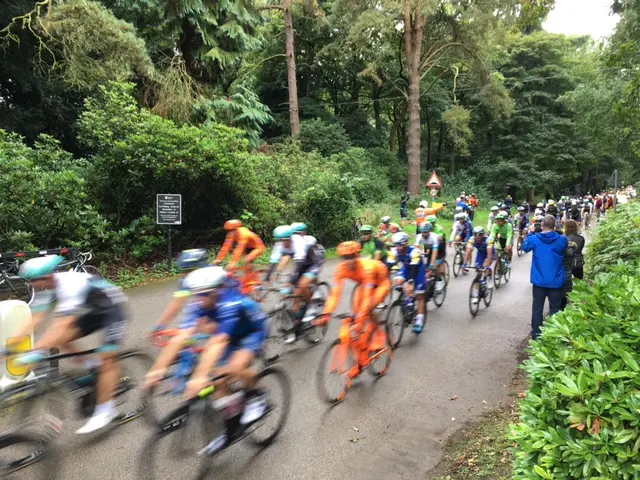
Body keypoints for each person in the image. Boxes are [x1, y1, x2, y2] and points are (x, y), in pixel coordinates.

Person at [11, 256, 128, 434]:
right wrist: (11, 345)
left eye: (37, 280)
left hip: (114, 310)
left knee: (107, 359)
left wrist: (37, 351)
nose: (34, 284)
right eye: (31, 281)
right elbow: (35, 318)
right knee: (62, 339)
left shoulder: (70, 284)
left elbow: (62, 324)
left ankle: (106, 411)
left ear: (49, 275)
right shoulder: (43, 287)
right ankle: (92, 365)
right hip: (96, 311)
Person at [318, 242, 390, 376]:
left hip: (380, 283)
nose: (348, 261)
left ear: (357, 255)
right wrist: (326, 313)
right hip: (364, 284)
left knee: (366, 309)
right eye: (345, 258)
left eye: (351, 257)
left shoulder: (366, 268)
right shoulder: (341, 269)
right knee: (356, 319)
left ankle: (379, 335)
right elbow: (335, 294)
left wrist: (360, 320)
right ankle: (360, 360)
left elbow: (367, 298)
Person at [522, 215, 568, 339]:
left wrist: (531, 233)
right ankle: (554, 335)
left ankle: (536, 335)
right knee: (555, 308)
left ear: (542, 225)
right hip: (556, 281)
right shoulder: (562, 240)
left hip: (539, 281)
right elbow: (565, 246)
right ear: (555, 226)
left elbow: (525, 248)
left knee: (537, 308)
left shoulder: (535, 239)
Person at [153, 249, 211, 332]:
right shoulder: (186, 280)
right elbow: (177, 303)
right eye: (183, 271)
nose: (184, 275)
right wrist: (160, 325)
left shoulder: (215, 276)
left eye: (188, 271)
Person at [389, 231, 431, 333]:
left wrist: (410, 282)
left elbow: (414, 268)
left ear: (406, 243)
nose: (398, 247)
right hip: (407, 269)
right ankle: (407, 300)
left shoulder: (414, 252)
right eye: (396, 245)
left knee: (420, 295)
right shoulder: (394, 251)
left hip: (418, 270)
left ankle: (419, 321)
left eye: (401, 245)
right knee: (397, 281)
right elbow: (388, 264)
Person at [462, 226, 494, 303]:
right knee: (478, 273)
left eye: (479, 235)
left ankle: (489, 278)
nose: (477, 237)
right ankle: (476, 295)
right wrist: (464, 263)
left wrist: (487, 263)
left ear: (483, 235)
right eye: (475, 234)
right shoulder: (472, 239)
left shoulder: (488, 240)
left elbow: (489, 253)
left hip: (489, 253)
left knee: (486, 266)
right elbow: (468, 251)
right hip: (480, 254)